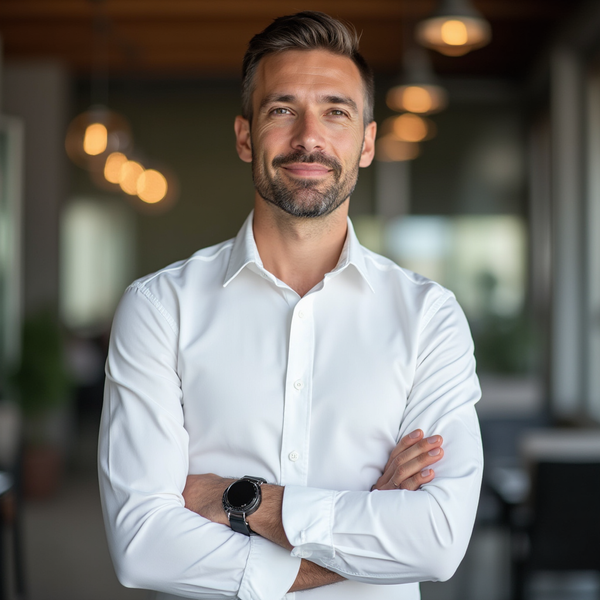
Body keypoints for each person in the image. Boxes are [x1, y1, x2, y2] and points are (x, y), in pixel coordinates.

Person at [99, 11, 483, 600]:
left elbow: (437, 540)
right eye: (282, 110)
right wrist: (369, 525)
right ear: (245, 135)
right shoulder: (159, 309)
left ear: (367, 142)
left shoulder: (428, 317)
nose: (309, 137)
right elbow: (142, 544)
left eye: (336, 111)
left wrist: (240, 499)